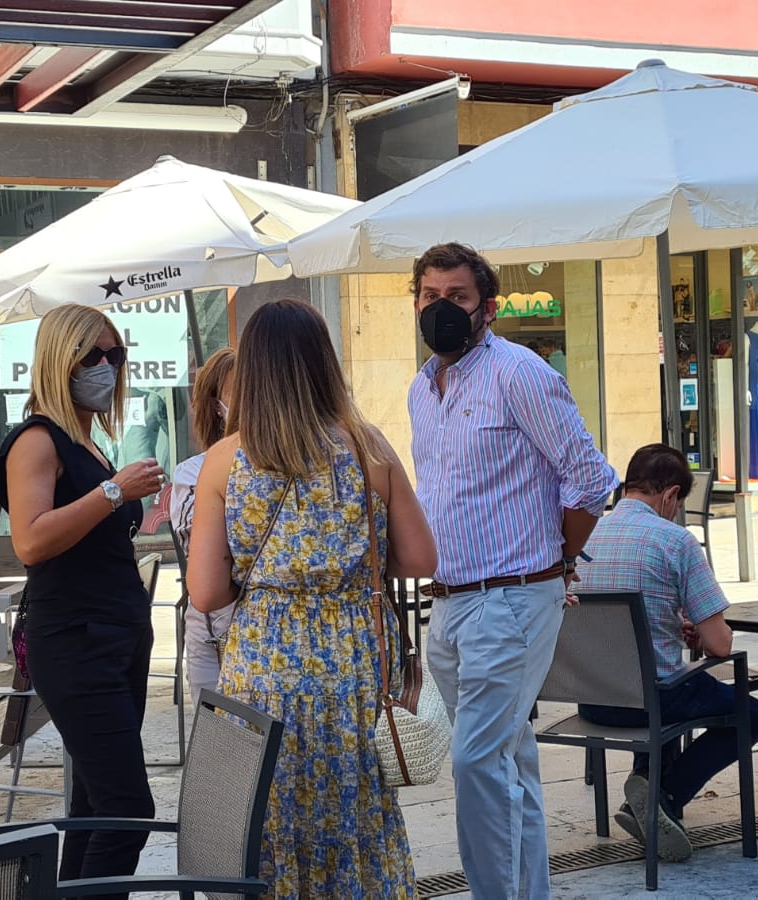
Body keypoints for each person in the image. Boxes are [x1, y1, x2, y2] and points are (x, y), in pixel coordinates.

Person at [187, 299, 437, 898]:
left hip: (263, 667)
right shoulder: (367, 447)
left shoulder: (224, 460)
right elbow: (422, 559)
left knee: (270, 813)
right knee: (356, 811)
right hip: (353, 661)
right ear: (325, 363)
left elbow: (205, 591)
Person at [408, 242, 616, 898]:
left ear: (487, 309)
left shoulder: (519, 373)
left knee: (475, 760)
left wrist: (558, 560)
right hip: (449, 601)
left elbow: (589, 479)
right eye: (430, 297)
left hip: (512, 595)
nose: (442, 309)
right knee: (507, 762)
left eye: (458, 298)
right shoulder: (422, 386)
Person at [0, 304, 166, 893]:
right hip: (76, 640)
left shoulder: (86, 442)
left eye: (114, 355)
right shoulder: (37, 440)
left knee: (97, 806)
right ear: (58, 359)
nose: (105, 367)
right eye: (91, 355)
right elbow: (31, 540)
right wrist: (116, 492)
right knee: (127, 810)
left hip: (114, 637)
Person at [574, 444, 758, 862]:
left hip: (592, 699)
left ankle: (648, 789)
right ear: (671, 495)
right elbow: (719, 645)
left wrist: (668, 626)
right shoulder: (675, 541)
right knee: (751, 714)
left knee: (669, 687)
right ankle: (664, 797)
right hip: (650, 701)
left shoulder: (582, 536)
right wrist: (696, 633)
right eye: (677, 504)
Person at [169, 347, 236, 702]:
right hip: (207, 623)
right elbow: (194, 545)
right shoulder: (192, 471)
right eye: (236, 393)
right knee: (213, 739)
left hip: (253, 620)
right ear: (215, 407)